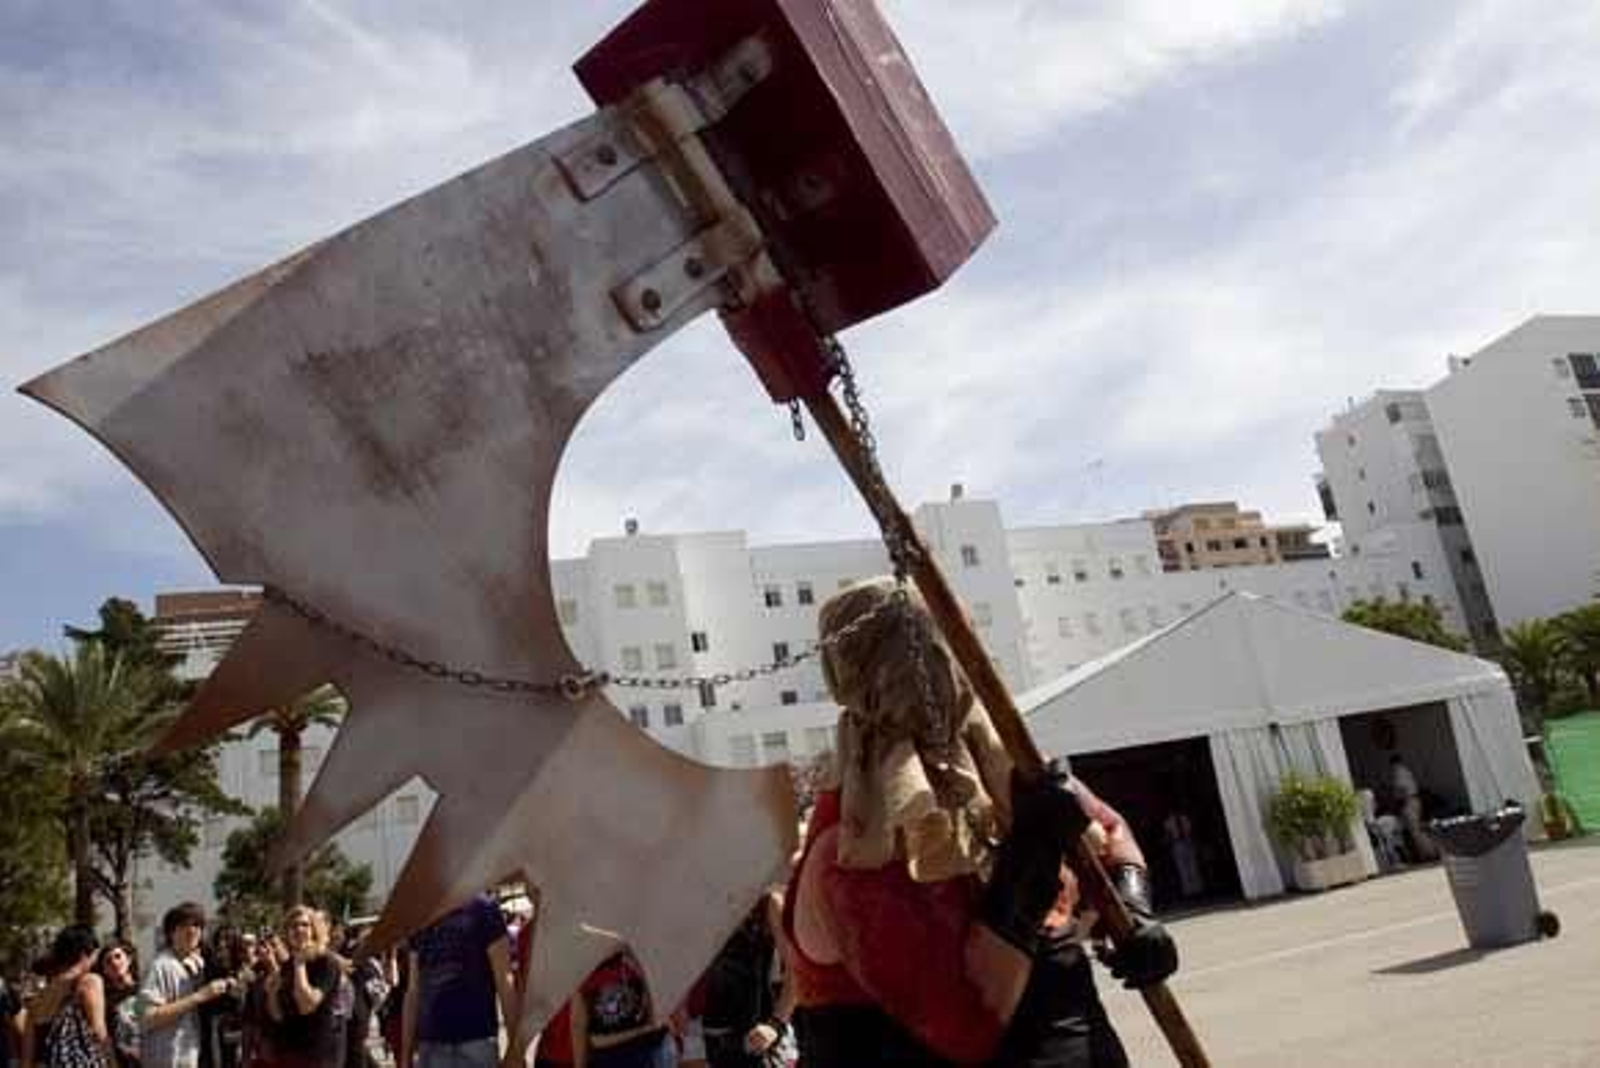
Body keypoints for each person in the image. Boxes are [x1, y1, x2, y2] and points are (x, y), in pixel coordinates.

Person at [785, 579, 1178, 1067]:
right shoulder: (852, 841)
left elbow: (1108, 829)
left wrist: (1133, 907)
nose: (941, 670)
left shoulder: (1001, 767)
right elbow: (965, 1021)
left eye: (951, 647)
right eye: (921, 651)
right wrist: (1030, 857)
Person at [400, 895, 516, 1068]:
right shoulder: (420, 916)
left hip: (475, 1042)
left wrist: (516, 1050)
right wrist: (405, 1055)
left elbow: (504, 981)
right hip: (431, 1045)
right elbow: (413, 990)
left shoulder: (484, 908)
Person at [697, 893, 792, 1068]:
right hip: (707, 1039)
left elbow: (797, 971)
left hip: (755, 1037)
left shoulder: (767, 902)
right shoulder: (696, 901)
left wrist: (776, 1024)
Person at [141, 904, 237, 1068]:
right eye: (184, 925)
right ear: (171, 932)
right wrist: (200, 996)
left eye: (197, 925)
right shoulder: (160, 966)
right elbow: (147, 1017)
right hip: (168, 1060)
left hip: (198, 1056)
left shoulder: (200, 964)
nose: (192, 931)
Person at [258, 908, 349, 1068]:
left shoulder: (326, 963)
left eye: (305, 925)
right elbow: (278, 1015)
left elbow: (307, 1005)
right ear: (286, 933)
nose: (299, 929)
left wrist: (300, 964)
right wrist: (272, 993)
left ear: (314, 930)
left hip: (317, 1054)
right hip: (288, 1051)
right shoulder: (286, 967)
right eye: (293, 926)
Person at [567, 948, 675, 1068]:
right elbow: (578, 1027)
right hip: (622, 1055)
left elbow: (579, 1028)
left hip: (635, 1054)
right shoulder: (586, 978)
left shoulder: (632, 968)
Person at [26, 926, 110, 1068]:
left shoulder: (37, 999)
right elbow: (99, 1031)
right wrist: (112, 1062)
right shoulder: (89, 982)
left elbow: (27, 1053)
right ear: (84, 954)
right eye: (96, 953)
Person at [96, 942, 141, 1068]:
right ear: (104, 970)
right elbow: (106, 1037)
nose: (114, 962)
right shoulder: (104, 1001)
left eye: (117, 956)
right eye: (108, 961)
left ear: (129, 959)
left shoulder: (147, 988)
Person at [1389, 755, 1437, 862]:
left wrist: (1395, 801)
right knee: (1417, 829)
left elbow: (1401, 790)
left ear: (1393, 763)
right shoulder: (1406, 770)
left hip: (1409, 802)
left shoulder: (1398, 772)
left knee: (1415, 830)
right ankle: (1428, 852)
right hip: (1414, 800)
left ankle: (1429, 854)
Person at [1162, 812, 1205, 900]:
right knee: (1182, 868)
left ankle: (1198, 889)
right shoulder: (1168, 822)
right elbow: (1168, 834)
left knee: (1193, 866)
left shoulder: (1184, 818)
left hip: (1188, 841)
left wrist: (1194, 842)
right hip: (1177, 843)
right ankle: (1188, 892)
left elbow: (1192, 831)